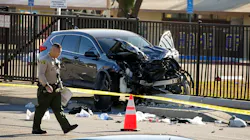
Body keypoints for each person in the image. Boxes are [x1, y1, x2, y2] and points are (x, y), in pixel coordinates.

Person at [32, 43, 78, 134]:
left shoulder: (56, 61)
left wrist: (61, 87)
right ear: (53, 50)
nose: (59, 54)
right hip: (46, 89)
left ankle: (66, 127)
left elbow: (57, 75)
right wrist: (46, 85)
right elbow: (41, 74)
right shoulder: (44, 60)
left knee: (58, 109)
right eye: (58, 52)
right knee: (41, 109)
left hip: (55, 89)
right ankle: (36, 128)